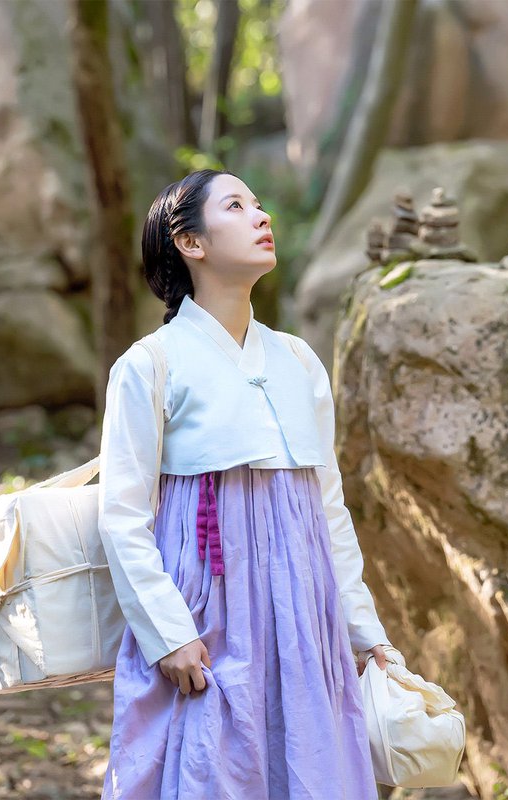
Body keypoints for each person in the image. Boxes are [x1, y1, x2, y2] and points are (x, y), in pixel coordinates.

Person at [97, 168, 401, 799]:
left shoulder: (297, 360)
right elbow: (121, 514)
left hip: (302, 617)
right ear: (191, 243)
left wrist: (362, 628)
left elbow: (326, 507)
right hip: (206, 620)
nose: (262, 216)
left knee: (311, 769)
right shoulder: (149, 365)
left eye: (261, 205)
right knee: (209, 772)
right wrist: (168, 634)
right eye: (237, 206)